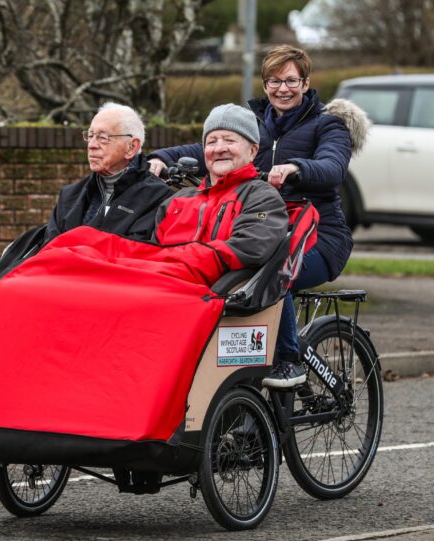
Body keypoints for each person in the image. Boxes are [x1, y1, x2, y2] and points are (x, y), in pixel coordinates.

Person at [149, 45, 368, 389]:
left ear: (306, 83)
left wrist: (297, 168)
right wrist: (161, 157)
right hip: (264, 230)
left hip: (319, 237)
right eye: (274, 81)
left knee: (273, 273)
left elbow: (332, 167)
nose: (282, 88)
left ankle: (289, 360)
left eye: (291, 80)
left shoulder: (328, 126)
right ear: (265, 84)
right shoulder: (253, 123)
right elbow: (206, 146)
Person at [150, 103, 288, 283]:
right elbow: (150, 251)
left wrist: (175, 261)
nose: (219, 148)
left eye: (229, 140)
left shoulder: (262, 198)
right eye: (212, 142)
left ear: (253, 151)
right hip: (159, 283)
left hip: (206, 297)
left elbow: (249, 248)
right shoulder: (177, 200)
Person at [44, 102, 172, 242]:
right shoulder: (69, 195)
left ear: (131, 147)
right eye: (90, 135)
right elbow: (47, 249)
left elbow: (134, 255)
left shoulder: (158, 199)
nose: (91, 145)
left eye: (103, 138)